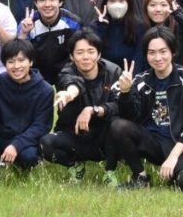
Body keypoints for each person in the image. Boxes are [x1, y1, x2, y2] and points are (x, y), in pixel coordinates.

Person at [107, 27, 183, 191]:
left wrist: (173, 157)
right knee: (118, 126)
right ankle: (140, 177)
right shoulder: (140, 80)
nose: (157, 57)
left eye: (163, 51)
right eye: (152, 53)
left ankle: (178, 173)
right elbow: (130, 117)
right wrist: (125, 93)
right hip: (153, 143)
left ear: (173, 52)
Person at [39, 29, 125, 186]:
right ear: (72, 56)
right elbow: (74, 84)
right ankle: (75, 166)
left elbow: (118, 105)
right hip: (75, 133)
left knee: (119, 126)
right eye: (79, 52)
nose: (85, 57)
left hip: (105, 134)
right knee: (46, 143)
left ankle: (110, 171)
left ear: (99, 54)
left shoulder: (113, 71)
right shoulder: (66, 72)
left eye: (91, 51)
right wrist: (69, 94)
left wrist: (93, 110)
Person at [0, 39, 53, 177]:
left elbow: (41, 126)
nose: (16, 66)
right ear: (5, 64)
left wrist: (16, 145)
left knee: (29, 157)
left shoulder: (45, 89)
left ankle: (14, 166)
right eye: (11, 61)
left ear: (30, 62)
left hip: (26, 140)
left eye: (21, 60)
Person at [17, 0, 83, 84]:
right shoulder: (27, 23)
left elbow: (80, 51)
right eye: (42, 0)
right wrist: (24, 33)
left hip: (67, 74)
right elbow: (18, 53)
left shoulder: (73, 22)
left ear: (60, 2)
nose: (47, 4)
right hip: (36, 76)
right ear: (36, 3)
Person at [91, 0, 145, 67]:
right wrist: (101, 28)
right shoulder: (96, 26)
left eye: (121, 0)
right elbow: (92, 52)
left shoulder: (139, 27)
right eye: (112, 0)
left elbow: (139, 58)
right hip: (104, 73)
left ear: (128, 2)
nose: (116, 5)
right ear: (106, 2)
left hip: (130, 73)